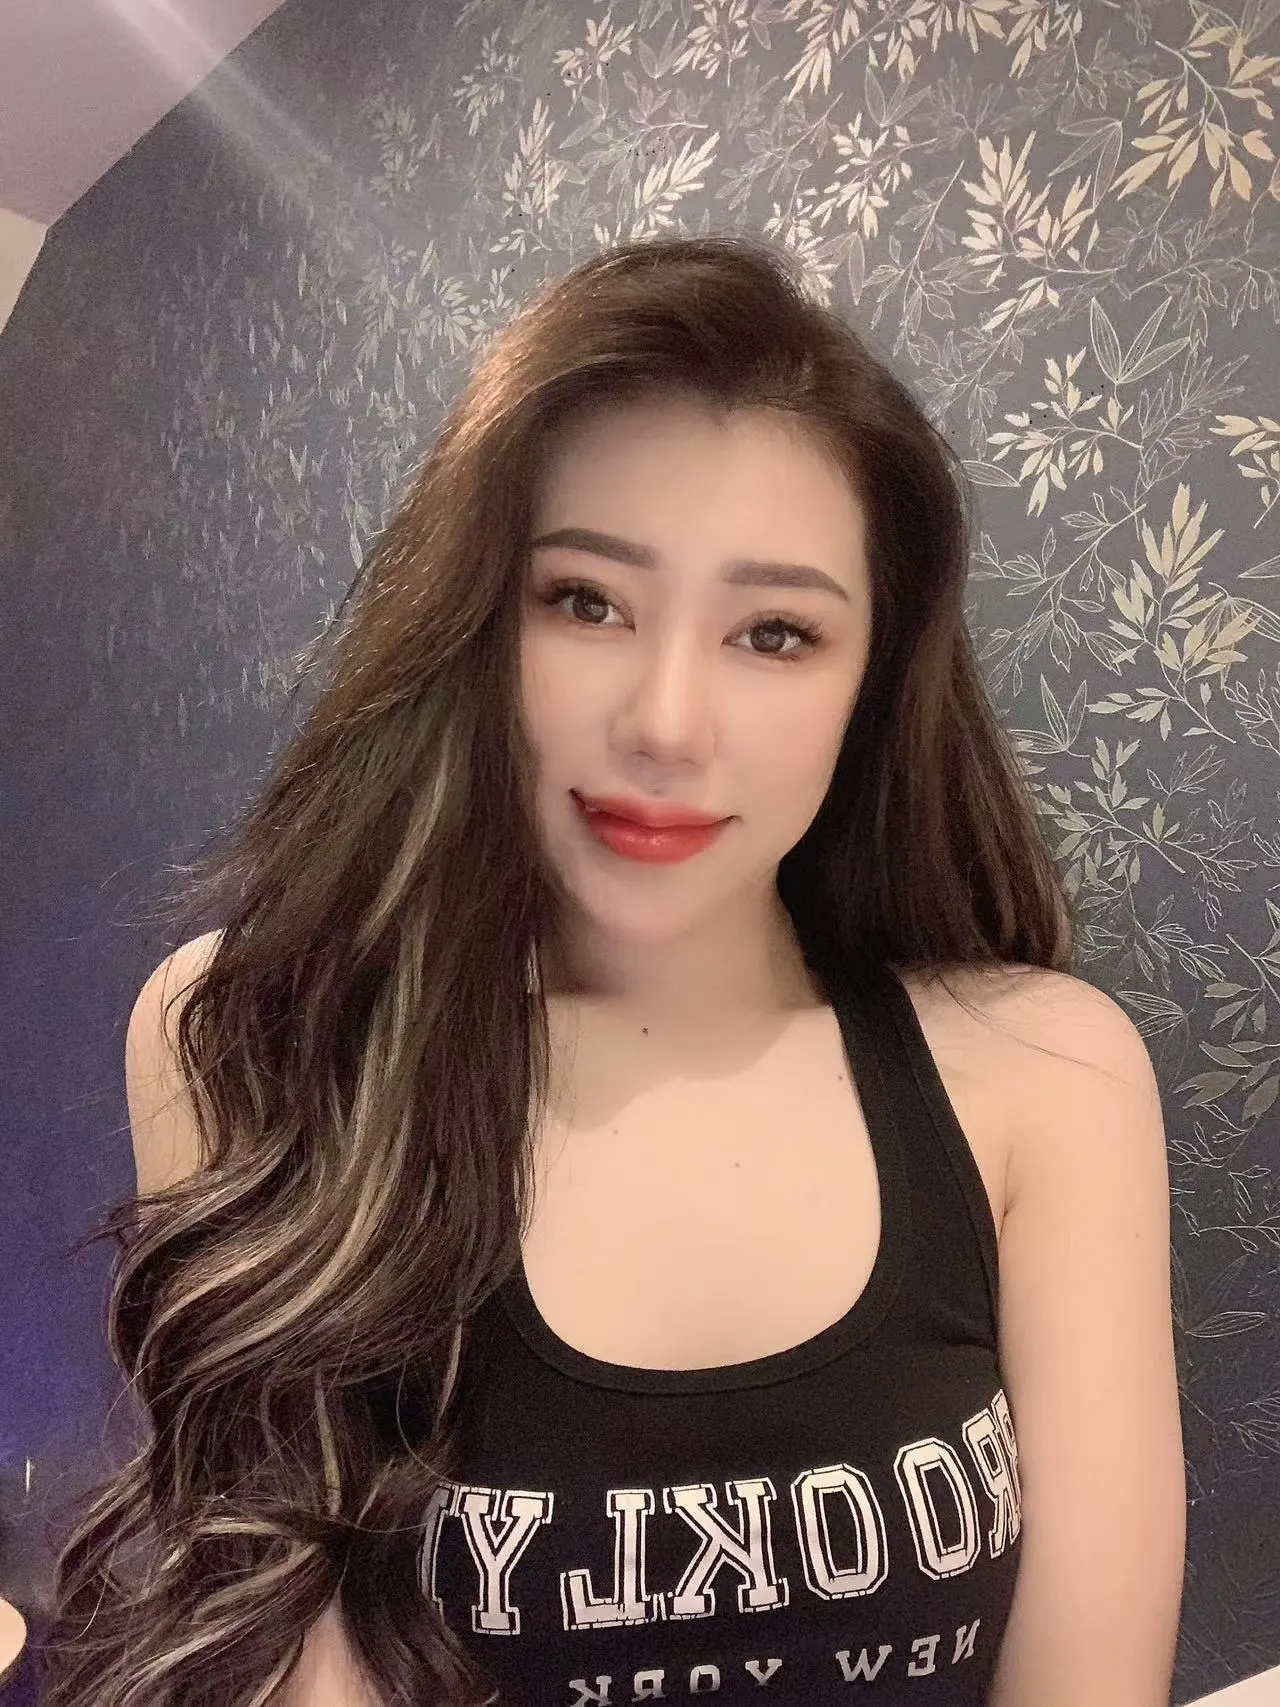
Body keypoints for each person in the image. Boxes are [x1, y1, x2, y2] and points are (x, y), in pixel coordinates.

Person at [40, 232, 1185, 1707]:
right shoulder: (255, 1033)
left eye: (776, 632)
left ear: (873, 681)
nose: (666, 722)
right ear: (476, 619)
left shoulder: (1047, 1076)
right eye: (586, 600)